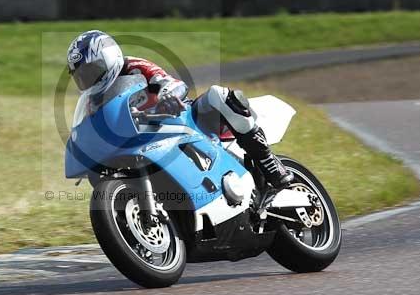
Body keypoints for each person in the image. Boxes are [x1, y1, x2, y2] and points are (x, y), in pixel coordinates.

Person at [66, 30, 294, 188]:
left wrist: (167, 96)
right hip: (143, 141)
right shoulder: (92, 101)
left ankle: (269, 162)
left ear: (109, 56)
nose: (89, 79)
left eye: (93, 70)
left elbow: (171, 82)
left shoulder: (134, 67)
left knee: (218, 95)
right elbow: (96, 129)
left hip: (179, 118)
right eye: (82, 76)